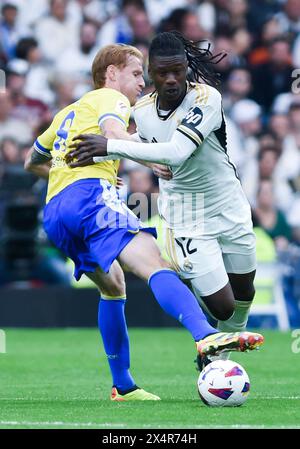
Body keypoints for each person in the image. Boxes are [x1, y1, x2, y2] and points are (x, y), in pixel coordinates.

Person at [25, 43, 263, 402]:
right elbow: (114, 133)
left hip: (57, 210)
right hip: (90, 200)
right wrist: (149, 164)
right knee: (154, 262)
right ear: (111, 73)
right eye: (137, 73)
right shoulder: (110, 98)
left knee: (113, 287)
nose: (141, 82)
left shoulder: (67, 113)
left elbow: (32, 159)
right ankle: (205, 335)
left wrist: (67, 177)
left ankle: (123, 386)